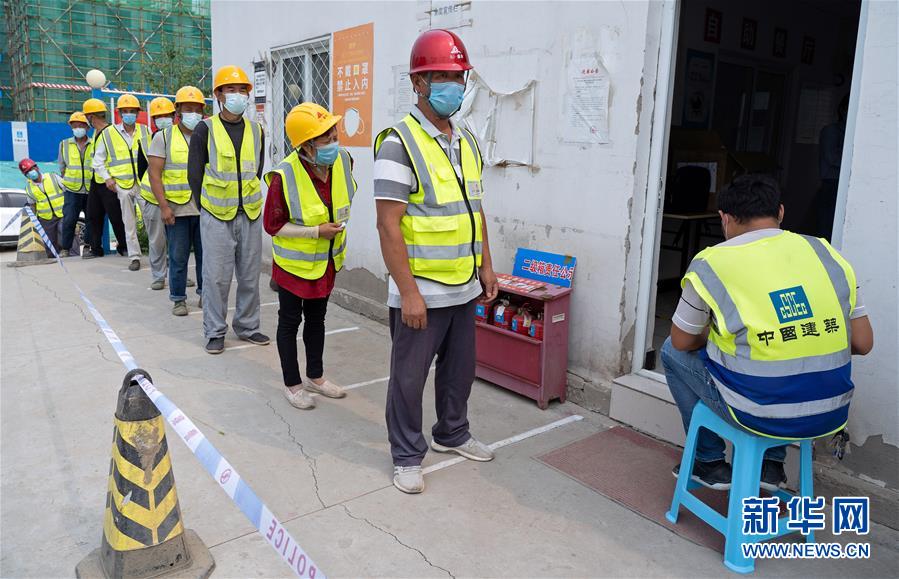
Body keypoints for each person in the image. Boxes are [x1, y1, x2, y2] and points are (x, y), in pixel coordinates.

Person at [662, 174, 873, 492]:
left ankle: (708, 462)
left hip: (756, 412)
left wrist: (721, 339)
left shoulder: (712, 263)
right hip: (831, 412)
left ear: (725, 218)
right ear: (781, 212)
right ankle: (770, 466)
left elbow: (682, 341)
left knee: (670, 350)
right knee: (786, 361)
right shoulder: (827, 253)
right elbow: (863, 342)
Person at [374, 29, 499, 494]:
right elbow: (388, 225)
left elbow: (475, 208)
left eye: (458, 77)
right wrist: (408, 293)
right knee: (408, 378)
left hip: (464, 282)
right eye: (442, 76)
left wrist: (486, 265)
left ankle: (452, 432)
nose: (454, 86)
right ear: (418, 83)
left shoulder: (466, 141)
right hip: (421, 288)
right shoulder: (398, 143)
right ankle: (407, 454)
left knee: (460, 370)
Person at [264, 103, 356, 410]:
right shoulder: (284, 175)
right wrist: (316, 232)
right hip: (293, 265)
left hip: (326, 261)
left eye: (334, 133)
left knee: (317, 320)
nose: (333, 141)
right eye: (325, 138)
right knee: (290, 322)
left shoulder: (343, 160)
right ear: (306, 145)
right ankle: (292, 385)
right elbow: (273, 225)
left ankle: (315, 377)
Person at [188, 65, 268, 354]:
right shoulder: (205, 129)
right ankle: (215, 331)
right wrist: (208, 208)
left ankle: (247, 326)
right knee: (216, 278)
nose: (237, 95)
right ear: (219, 95)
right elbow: (194, 174)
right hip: (216, 216)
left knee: (249, 276)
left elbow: (256, 170)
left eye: (242, 90)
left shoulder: (257, 130)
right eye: (230, 90)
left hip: (250, 213)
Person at [144, 86, 205, 315]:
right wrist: (164, 207)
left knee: (206, 257)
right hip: (177, 210)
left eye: (197, 109)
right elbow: (154, 174)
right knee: (178, 257)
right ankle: (179, 299)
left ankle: (204, 294)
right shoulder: (163, 137)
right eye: (188, 109)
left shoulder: (208, 134)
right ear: (178, 110)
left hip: (205, 209)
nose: (193, 113)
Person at [92, 93, 151, 271]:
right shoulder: (108, 133)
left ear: (138, 113)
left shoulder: (145, 131)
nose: (129, 114)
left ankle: (159, 254)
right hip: (122, 186)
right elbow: (97, 161)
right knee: (129, 223)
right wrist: (107, 178)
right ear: (119, 113)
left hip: (144, 185)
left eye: (132, 111)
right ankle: (134, 257)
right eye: (125, 111)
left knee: (152, 221)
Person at [81, 98, 128, 260]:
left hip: (110, 181)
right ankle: (95, 248)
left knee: (116, 217)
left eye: (87, 116)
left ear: (92, 117)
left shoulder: (111, 132)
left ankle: (124, 246)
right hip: (96, 181)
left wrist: (111, 177)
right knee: (93, 216)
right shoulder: (95, 133)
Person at [137, 96, 176, 290]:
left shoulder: (182, 139)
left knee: (178, 242)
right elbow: (141, 171)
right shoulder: (145, 142)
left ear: (174, 117)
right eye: (159, 116)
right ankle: (159, 276)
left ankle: (178, 275)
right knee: (157, 240)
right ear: (153, 120)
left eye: (167, 115)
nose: (163, 120)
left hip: (178, 199)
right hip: (153, 200)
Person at [58, 111, 93, 257]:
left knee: (91, 219)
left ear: (87, 127)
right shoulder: (64, 144)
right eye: (75, 125)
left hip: (90, 189)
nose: (78, 128)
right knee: (69, 220)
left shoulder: (94, 143)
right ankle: (65, 248)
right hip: (72, 190)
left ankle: (88, 246)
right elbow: (62, 167)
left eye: (81, 125)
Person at [816, 94, 850, 241]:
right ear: (843, 110)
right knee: (827, 230)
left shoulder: (851, 132)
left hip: (844, 185)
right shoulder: (831, 130)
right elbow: (832, 158)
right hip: (832, 184)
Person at [19, 159, 66, 256]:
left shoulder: (53, 177)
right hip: (46, 219)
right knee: (49, 244)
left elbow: (67, 191)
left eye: (31, 169)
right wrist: (34, 222)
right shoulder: (29, 188)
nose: (30, 173)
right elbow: (32, 205)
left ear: (37, 167)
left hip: (63, 213)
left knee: (66, 236)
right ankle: (53, 261)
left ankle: (73, 258)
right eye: (27, 172)